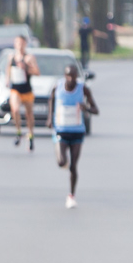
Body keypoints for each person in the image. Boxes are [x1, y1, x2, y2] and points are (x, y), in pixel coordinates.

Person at [49, 63, 99, 209]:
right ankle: (61, 157)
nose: (71, 79)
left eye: (74, 76)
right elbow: (51, 100)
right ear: (65, 76)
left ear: (77, 76)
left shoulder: (83, 89)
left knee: (73, 166)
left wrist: (86, 108)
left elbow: (96, 110)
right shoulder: (57, 87)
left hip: (77, 132)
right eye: (68, 76)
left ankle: (71, 195)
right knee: (61, 162)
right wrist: (49, 118)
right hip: (61, 131)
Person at [6, 35, 38, 152]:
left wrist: (26, 68)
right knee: (15, 110)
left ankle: (30, 135)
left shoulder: (29, 58)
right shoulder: (12, 57)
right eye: (17, 43)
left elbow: (37, 72)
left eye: (21, 43)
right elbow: (8, 69)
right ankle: (18, 131)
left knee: (29, 115)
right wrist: (7, 80)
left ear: (25, 44)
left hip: (27, 90)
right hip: (15, 89)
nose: (19, 45)